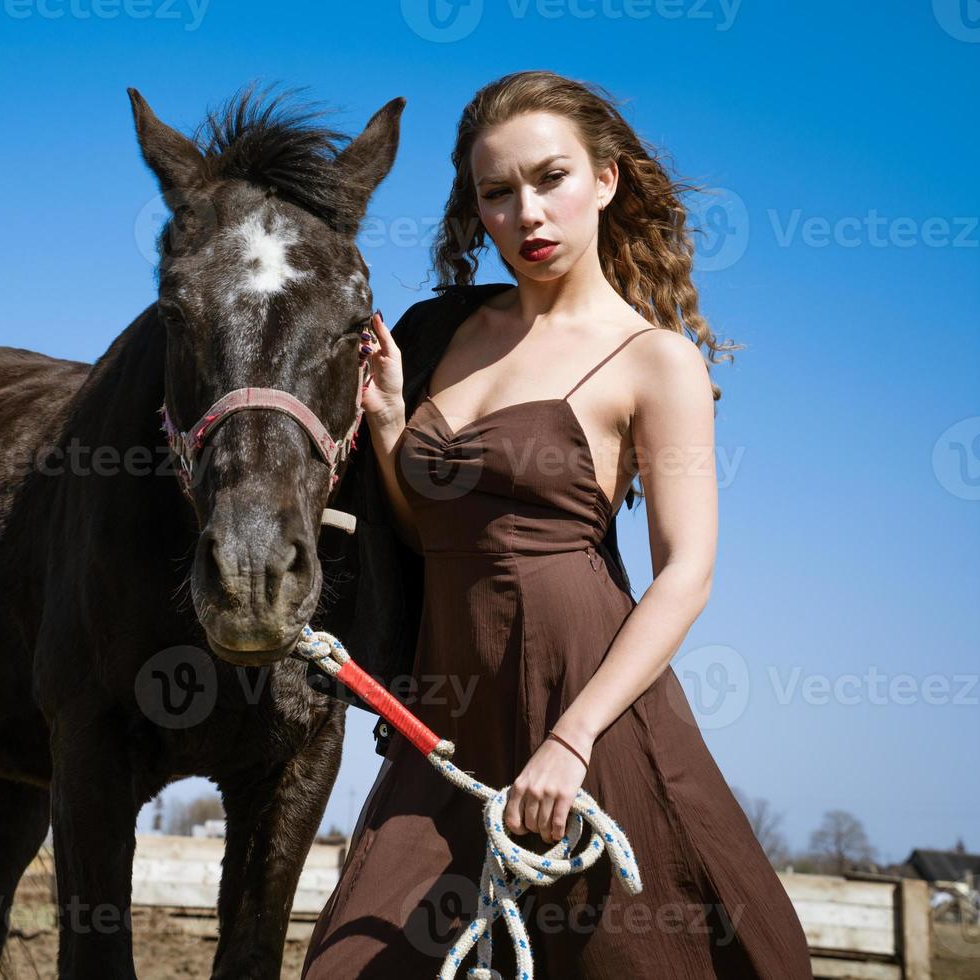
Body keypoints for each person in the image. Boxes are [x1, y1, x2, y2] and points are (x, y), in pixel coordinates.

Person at [301, 70, 814, 978]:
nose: (525, 214)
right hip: (448, 712)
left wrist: (572, 740)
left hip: (585, 706)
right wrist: (388, 421)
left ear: (607, 180)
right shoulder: (437, 332)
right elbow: (433, 535)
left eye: (551, 179)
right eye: (497, 193)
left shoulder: (657, 363)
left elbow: (687, 572)